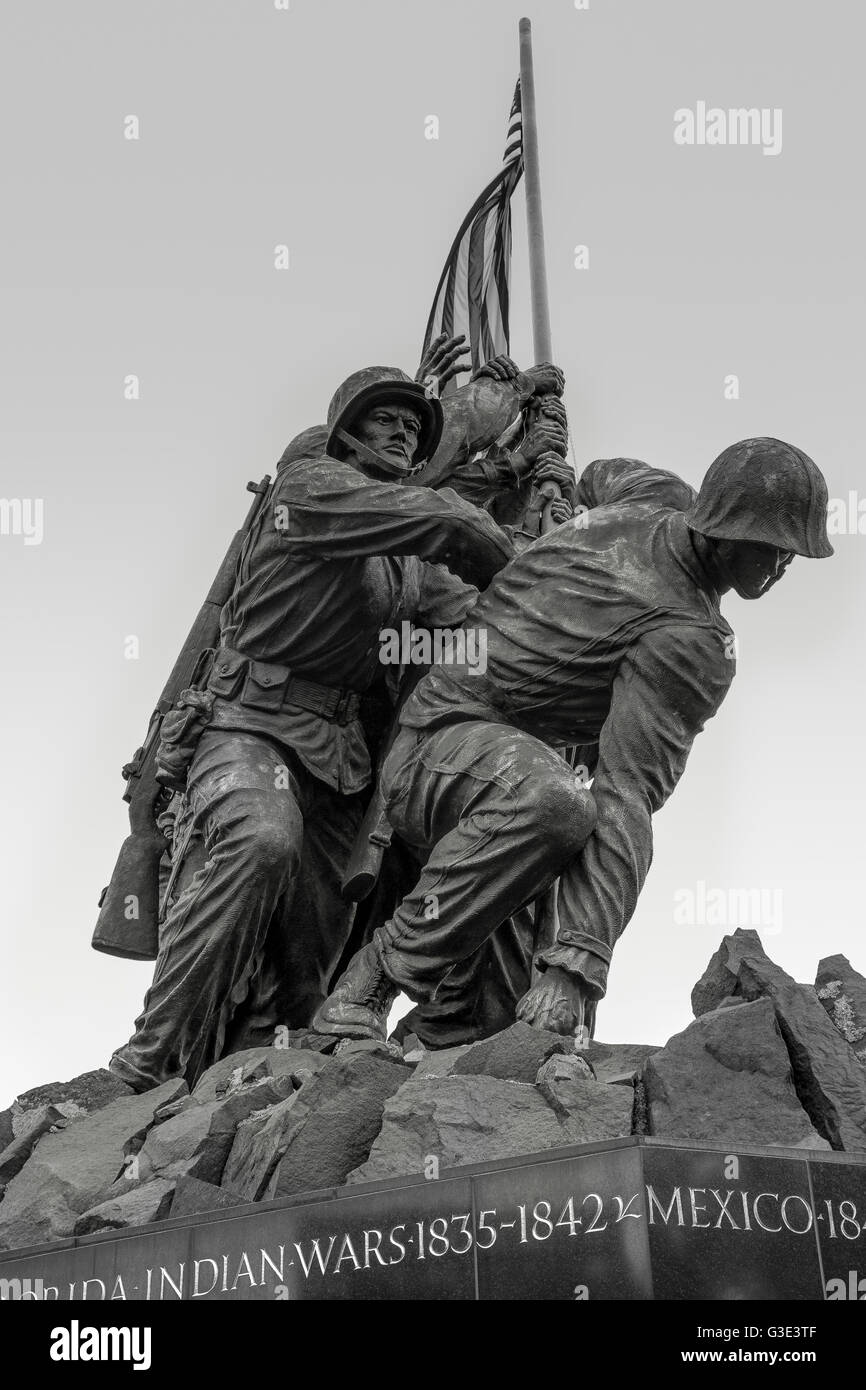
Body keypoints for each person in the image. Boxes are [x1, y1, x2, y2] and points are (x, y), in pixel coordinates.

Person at [109, 354, 564, 1091]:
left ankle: (271, 1077)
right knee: (261, 841)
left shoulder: (407, 561)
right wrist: (498, 444)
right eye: (384, 418)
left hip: (341, 757)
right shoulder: (311, 488)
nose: (401, 432)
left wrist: (552, 538)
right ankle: (144, 1063)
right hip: (251, 725)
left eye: (413, 426)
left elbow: (481, 621)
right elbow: (439, 515)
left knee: (313, 951)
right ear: (346, 434)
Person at [313, 438, 833, 1045]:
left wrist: (564, 511)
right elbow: (622, 798)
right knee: (556, 801)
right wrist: (576, 969)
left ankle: (426, 1045)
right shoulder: (691, 642)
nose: (781, 566)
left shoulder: (652, 491)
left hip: (507, 774)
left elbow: (595, 476)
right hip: (441, 747)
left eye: (792, 553)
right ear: (719, 528)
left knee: (490, 1022)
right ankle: (375, 978)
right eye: (770, 546)